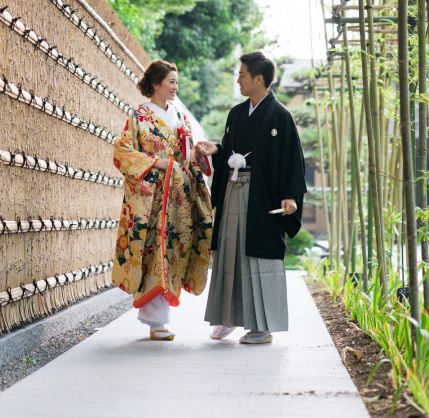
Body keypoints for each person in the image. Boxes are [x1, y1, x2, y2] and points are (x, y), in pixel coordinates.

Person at [195, 51, 307, 344]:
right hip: (234, 189)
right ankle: (228, 317)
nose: (238, 80)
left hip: (263, 196)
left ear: (259, 79)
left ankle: (263, 326)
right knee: (230, 252)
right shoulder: (236, 113)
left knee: (260, 257)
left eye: (242, 75)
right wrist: (217, 150)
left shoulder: (280, 115)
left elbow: (292, 159)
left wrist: (291, 196)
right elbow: (233, 149)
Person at [112, 60, 213, 341]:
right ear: (155, 84)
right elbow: (122, 152)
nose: (175, 87)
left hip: (179, 199)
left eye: (176, 82)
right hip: (154, 200)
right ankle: (156, 321)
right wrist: (157, 162)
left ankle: (159, 317)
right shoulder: (139, 118)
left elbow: (188, 155)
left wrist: (199, 156)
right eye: (170, 82)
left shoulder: (179, 116)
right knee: (154, 253)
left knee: (173, 254)